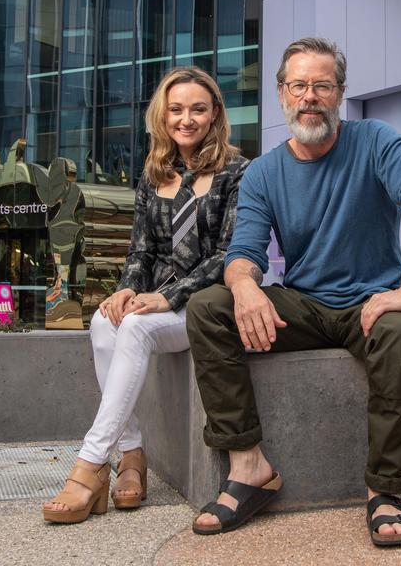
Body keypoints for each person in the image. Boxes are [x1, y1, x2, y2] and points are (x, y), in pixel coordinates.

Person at [185, 38, 401, 547]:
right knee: (208, 306)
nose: (310, 96)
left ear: (340, 94)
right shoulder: (263, 172)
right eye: (299, 85)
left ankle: (385, 492)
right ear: (282, 93)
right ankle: (249, 467)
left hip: (369, 303)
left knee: (399, 331)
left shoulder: (375, 140)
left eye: (322, 86)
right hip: (303, 304)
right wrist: (244, 288)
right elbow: (245, 251)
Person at [41, 66, 249, 525]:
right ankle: (133, 457)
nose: (186, 119)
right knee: (103, 321)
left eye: (198, 108)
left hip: (206, 307)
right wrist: (128, 289)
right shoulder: (155, 172)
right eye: (176, 110)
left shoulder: (237, 171)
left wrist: (168, 296)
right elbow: (141, 248)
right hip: (155, 302)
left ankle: (91, 464)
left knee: (133, 326)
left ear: (215, 112)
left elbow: (230, 253)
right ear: (163, 115)